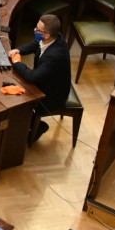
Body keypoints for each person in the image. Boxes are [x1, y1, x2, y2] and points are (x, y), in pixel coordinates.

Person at [9, 14, 72, 143]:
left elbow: (33, 77)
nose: (34, 30)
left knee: (19, 101)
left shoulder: (55, 56)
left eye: (37, 29)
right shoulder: (53, 38)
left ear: (47, 35)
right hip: (48, 81)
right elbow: (34, 44)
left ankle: (38, 127)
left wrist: (17, 63)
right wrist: (18, 51)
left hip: (52, 95)